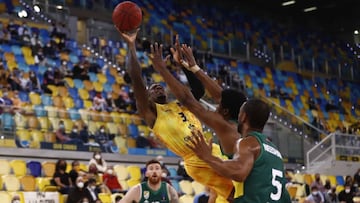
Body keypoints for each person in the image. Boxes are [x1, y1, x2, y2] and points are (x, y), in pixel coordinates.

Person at [119, 29, 234, 202]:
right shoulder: (152, 114)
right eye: (153, 88)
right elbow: (137, 78)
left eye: (160, 86)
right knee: (237, 187)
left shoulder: (179, 104)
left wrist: (183, 65)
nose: (157, 87)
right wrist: (131, 46)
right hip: (194, 158)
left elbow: (198, 91)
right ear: (148, 97)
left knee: (234, 191)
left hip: (212, 148)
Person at [153, 35, 247, 158]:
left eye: (219, 105)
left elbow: (191, 97)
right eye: (153, 88)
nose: (216, 107)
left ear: (225, 111)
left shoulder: (227, 127)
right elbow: (218, 95)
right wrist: (191, 67)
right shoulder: (151, 109)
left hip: (208, 159)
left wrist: (162, 69)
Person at [186, 99, 291, 202]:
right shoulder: (276, 153)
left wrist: (207, 157)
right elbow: (284, 196)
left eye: (239, 113)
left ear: (244, 116)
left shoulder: (247, 142)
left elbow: (239, 172)